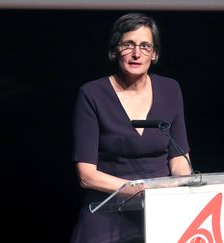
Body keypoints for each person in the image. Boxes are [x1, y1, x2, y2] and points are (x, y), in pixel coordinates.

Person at [70, 12, 193, 243]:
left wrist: (180, 188)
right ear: (116, 49)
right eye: (128, 44)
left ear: (154, 53)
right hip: (105, 213)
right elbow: (87, 175)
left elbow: (179, 159)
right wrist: (144, 191)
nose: (137, 53)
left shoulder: (170, 89)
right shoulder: (92, 94)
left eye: (145, 46)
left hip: (161, 213)